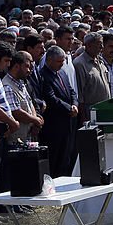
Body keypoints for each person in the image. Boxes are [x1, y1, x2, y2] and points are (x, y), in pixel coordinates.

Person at [38, 46, 79, 177]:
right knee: (55, 159)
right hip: (54, 125)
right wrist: (69, 108)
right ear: (49, 60)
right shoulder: (43, 75)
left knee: (66, 158)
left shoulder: (62, 73)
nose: (62, 64)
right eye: (59, 61)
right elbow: (51, 98)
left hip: (68, 123)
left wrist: (75, 105)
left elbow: (72, 91)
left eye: (63, 61)